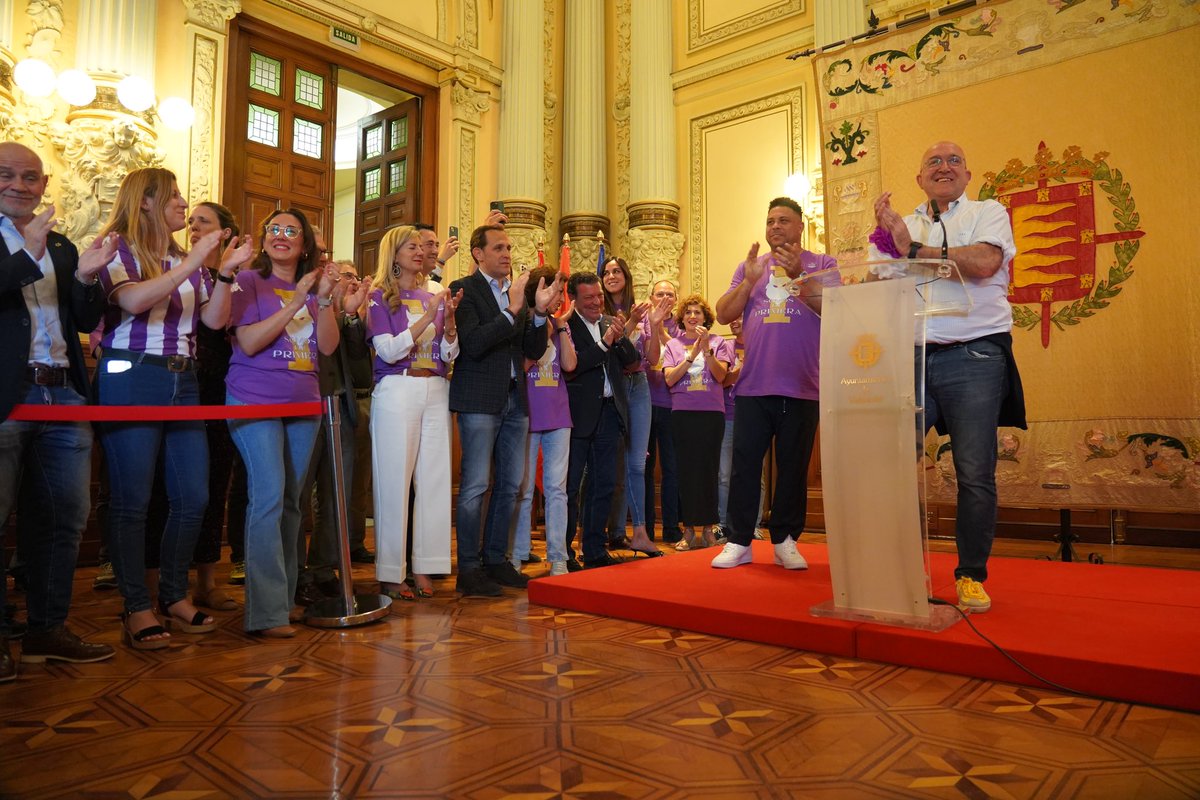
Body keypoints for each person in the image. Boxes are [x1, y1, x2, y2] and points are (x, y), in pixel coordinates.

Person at [95, 168, 251, 648]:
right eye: (174, 196)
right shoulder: (116, 248)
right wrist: (196, 262)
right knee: (134, 500)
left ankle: (173, 595)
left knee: (194, 498)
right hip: (131, 372)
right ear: (144, 201)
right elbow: (134, 300)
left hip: (184, 379)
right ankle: (136, 606)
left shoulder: (187, 257)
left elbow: (213, 319)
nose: (184, 204)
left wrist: (223, 272)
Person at [872, 140, 1022, 612]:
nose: (943, 167)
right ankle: (893, 571)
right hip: (910, 354)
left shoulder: (988, 211)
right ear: (919, 178)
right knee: (891, 468)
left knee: (975, 472)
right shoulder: (903, 222)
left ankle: (971, 575)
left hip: (974, 356)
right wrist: (889, 243)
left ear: (967, 174)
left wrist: (911, 248)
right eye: (932, 161)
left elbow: (984, 262)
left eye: (954, 159)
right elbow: (877, 283)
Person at [0, 141, 116, 679]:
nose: (19, 185)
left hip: (64, 391)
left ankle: (47, 629)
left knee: (65, 518)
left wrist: (88, 276)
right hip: (8, 393)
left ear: (45, 185)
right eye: (7, 175)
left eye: (30, 177)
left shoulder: (62, 245)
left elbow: (85, 316)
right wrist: (26, 252)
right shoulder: (31, 242)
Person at [225, 209, 352, 637]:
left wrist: (327, 298)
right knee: (269, 497)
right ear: (263, 240)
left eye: (291, 231)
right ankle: (265, 613)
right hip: (253, 398)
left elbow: (328, 347)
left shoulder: (316, 288)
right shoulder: (247, 281)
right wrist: (296, 302)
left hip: (303, 401)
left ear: (304, 244)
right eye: (274, 230)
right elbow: (249, 340)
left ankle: (284, 598)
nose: (281, 236)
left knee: (294, 502)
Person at [711, 197, 836, 571]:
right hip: (753, 386)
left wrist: (801, 274)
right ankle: (738, 540)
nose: (775, 227)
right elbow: (723, 312)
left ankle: (785, 539)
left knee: (794, 467)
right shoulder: (751, 267)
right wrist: (748, 282)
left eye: (783, 220)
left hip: (802, 384)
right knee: (744, 466)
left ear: (800, 227)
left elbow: (834, 307)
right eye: (769, 221)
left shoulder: (822, 264)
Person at [448, 224, 558, 596]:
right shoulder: (463, 290)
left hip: (515, 398)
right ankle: (468, 569)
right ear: (478, 253)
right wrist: (513, 311)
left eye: (509, 247)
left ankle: (495, 559)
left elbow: (532, 347)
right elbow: (474, 343)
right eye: (498, 247)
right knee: (476, 486)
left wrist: (538, 313)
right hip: (479, 398)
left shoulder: (518, 293)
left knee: (511, 486)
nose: (507, 253)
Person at [367, 225, 459, 600]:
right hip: (396, 387)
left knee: (435, 481)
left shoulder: (432, 294)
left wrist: (450, 326)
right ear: (394, 253)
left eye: (422, 246)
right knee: (393, 481)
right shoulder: (378, 298)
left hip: (436, 387)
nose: (420, 251)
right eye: (411, 246)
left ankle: (426, 565)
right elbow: (387, 351)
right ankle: (391, 572)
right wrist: (428, 317)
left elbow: (448, 355)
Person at [188, 201, 247, 611]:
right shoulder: (178, 269)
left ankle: (206, 582)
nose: (193, 227)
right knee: (176, 489)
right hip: (182, 383)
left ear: (225, 232)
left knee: (214, 483)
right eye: (190, 221)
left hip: (223, 385)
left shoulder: (241, 279)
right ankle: (164, 583)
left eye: (203, 221)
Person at [563, 271, 642, 569]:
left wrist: (618, 338)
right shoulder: (565, 326)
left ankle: (595, 550)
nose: (597, 302)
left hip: (610, 413)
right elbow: (574, 367)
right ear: (575, 299)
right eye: (589, 298)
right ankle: (565, 553)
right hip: (577, 415)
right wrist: (605, 343)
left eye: (598, 296)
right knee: (570, 487)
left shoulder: (610, 322)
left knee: (604, 484)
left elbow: (632, 360)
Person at [510, 266, 575, 575]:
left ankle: (558, 555)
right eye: (553, 290)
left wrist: (560, 328)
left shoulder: (558, 325)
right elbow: (519, 367)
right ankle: (518, 553)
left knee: (556, 488)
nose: (557, 297)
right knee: (522, 488)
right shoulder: (524, 322)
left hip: (559, 415)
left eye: (561, 292)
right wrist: (542, 332)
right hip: (527, 413)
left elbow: (569, 364)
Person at [659, 294, 733, 549]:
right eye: (688, 312)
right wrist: (691, 355)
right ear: (682, 318)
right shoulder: (673, 346)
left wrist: (707, 350)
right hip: (683, 413)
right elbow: (669, 379)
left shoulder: (719, 342)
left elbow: (721, 376)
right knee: (686, 472)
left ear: (706, 318)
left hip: (712, 413)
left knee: (710, 470)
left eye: (697, 313)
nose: (692, 316)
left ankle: (709, 529)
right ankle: (688, 530)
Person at [599, 257, 659, 556]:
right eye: (606, 272)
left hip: (639, 386)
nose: (611, 276)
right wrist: (632, 321)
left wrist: (656, 325)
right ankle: (595, 534)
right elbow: (610, 348)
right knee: (606, 464)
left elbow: (652, 356)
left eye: (616, 271)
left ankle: (640, 533)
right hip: (612, 387)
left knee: (637, 463)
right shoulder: (597, 311)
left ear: (626, 276)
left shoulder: (643, 309)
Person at [643, 279, 683, 546]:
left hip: (672, 406)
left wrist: (660, 326)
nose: (665, 297)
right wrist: (651, 323)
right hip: (643, 405)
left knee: (672, 469)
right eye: (660, 293)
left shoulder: (683, 327)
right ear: (651, 296)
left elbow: (682, 355)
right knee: (643, 469)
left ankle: (671, 527)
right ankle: (644, 528)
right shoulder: (640, 322)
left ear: (676, 300)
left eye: (670, 294)